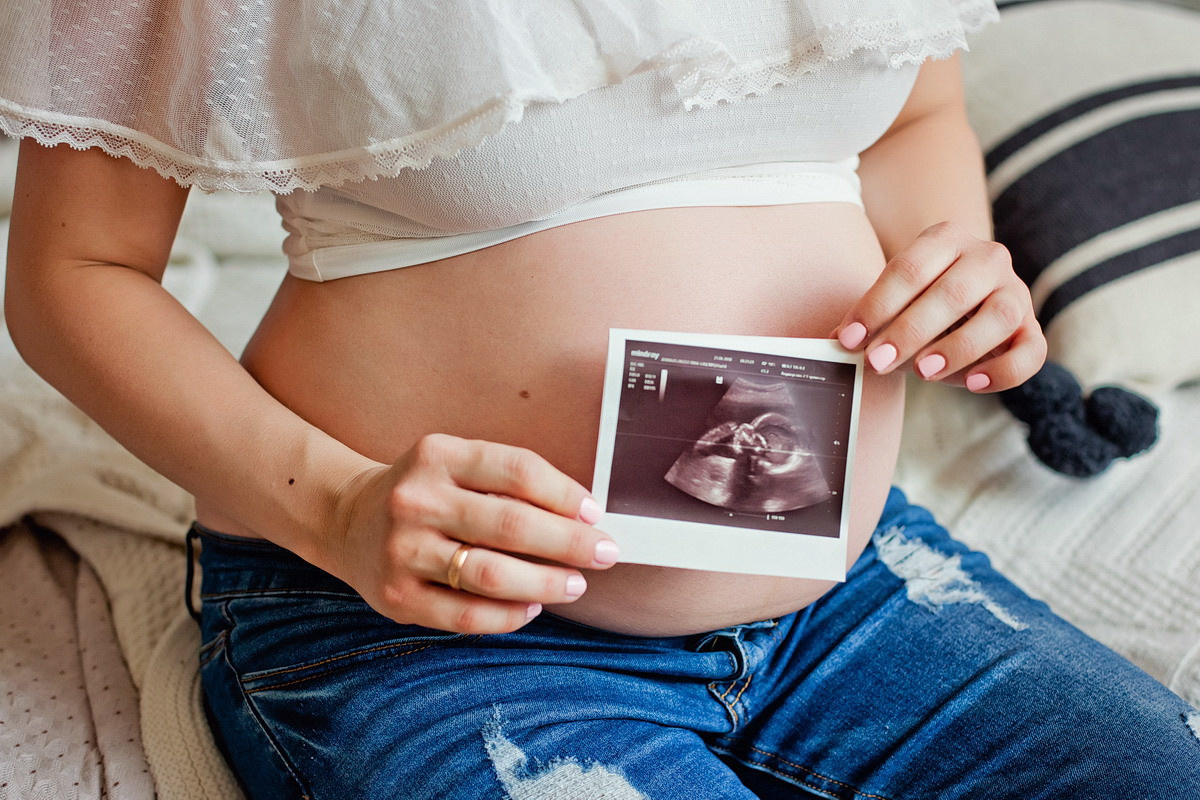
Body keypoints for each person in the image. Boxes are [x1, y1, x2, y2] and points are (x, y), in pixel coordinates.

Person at [4, 1, 1199, 797]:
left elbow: (911, 117)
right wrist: (336, 507)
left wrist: (953, 262)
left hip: (844, 578)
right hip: (431, 621)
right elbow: (74, 274)